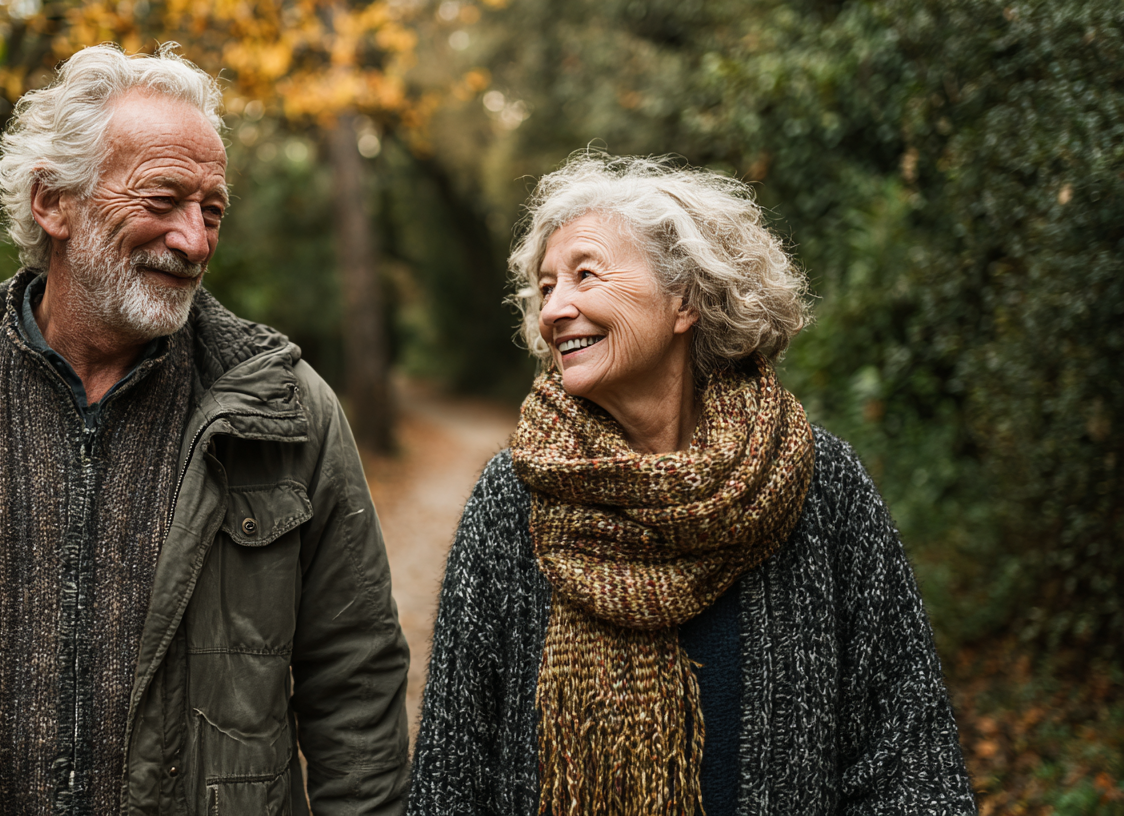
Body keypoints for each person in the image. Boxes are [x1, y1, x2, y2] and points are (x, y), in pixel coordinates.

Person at [0, 44, 410, 816]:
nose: (196, 240)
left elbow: (356, 694)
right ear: (52, 203)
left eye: (211, 210)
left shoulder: (288, 414)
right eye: (163, 199)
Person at [408, 154, 976, 816]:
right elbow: (452, 771)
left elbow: (906, 757)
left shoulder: (820, 487)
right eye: (546, 286)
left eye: (585, 274)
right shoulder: (517, 497)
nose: (555, 308)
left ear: (685, 300)